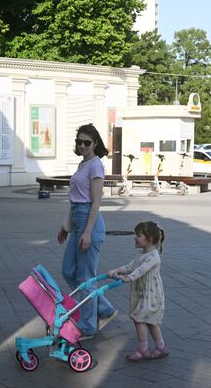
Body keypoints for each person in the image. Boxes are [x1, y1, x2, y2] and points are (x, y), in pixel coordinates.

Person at [57, 123, 117, 340]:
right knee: (68, 271)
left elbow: (95, 202)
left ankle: (89, 325)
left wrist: (87, 232)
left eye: (87, 142)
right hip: (77, 219)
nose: (82, 145)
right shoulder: (83, 165)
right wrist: (66, 225)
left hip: (90, 222)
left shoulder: (95, 165)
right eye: (79, 142)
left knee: (85, 277)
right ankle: (104, 308)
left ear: (96, 143)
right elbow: (75, 200)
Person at [108, 221, 168, 361]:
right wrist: (118, 270)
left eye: (138, 235)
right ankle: (160, 347)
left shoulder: (153, 257)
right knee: (147, 321)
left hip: (151, 294)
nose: (134, 237)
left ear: (150, 239)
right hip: (142, 292)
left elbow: (140, 270)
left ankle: (143, 349)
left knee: (139, 319)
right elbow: (132, 266)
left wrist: (126, 278)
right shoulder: (141, 254)